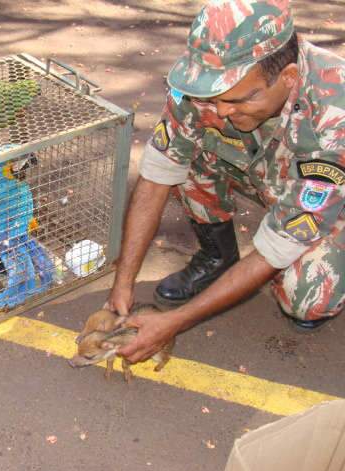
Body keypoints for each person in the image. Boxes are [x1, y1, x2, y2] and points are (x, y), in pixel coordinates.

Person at [106, 0, 345, 364]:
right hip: (278, 174)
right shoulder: (210, 84)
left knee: (306, 297)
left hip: (330, 199)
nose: (219, 110)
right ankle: (218, 257)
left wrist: (174, 323)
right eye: (213, 96)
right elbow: (156, 177)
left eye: (233, 100)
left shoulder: (334, 118)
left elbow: (280, 243)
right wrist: (122, 285)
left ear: (289, 77)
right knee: (187, 152)